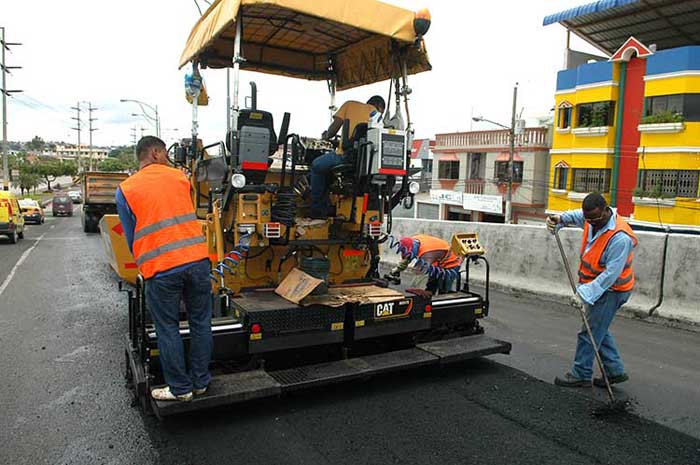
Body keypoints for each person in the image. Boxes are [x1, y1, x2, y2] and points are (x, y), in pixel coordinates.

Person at [116, 136, 212, 402]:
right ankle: (201, 382)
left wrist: (143, 262)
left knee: (168, 327)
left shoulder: (126, 189)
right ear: (156, 153)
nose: (168, 157)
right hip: (197, 260)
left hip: (161, 269)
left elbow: (130, 234)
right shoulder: (180, 178)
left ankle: (180, 389)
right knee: (201, 322)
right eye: (165, 153)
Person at [546, 193, 637, 388]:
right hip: (597, 286)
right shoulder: (590, 219)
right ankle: (615, 371)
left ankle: (581, 373)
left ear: (606, 210)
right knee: (597, 329)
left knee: (588, 333)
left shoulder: (620, 237)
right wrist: (559, 219)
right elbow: (574, 216)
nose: (592, 223)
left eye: (597, 219)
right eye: (589, 220)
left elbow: (611, 275)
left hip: (612, 290)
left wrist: (584, 293)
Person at [309, 95, 386, 218]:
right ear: (380, 107)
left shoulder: (349, 105)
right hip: (368, 163)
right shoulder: (378, 117)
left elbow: (333, 129)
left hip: (346, 157)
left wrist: (326, 136)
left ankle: (318, 210)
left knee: (316, 166)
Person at [386, 234, 462, 294]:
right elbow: (407, 259)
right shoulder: (412, 241)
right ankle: (431, 300)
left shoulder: (427, 254)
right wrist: (395, 271)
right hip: (437, 261)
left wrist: (413, 291)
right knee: (431, 285)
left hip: (452, 262)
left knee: (444, 289)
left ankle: (443, 308)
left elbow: (419, 274)